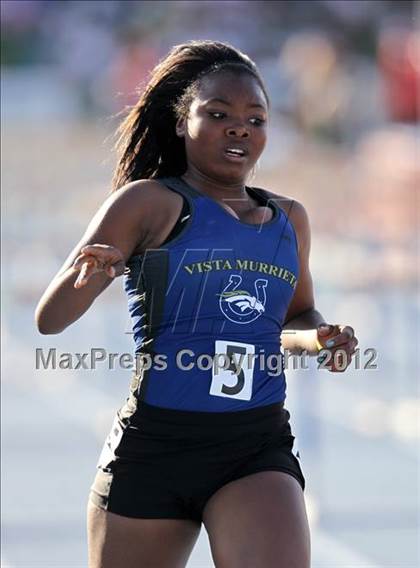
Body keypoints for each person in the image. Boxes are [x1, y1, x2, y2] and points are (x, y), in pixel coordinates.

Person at [35, 40, 358, 568]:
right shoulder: (149, 203)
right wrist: (88, 279)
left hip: (254, 444)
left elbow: (293, 318)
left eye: (256, 118)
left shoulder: (288, 219)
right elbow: (49, 321)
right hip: (155, 445)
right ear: (183, 122)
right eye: (218, 114)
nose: (240, 127)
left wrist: (320, 338)